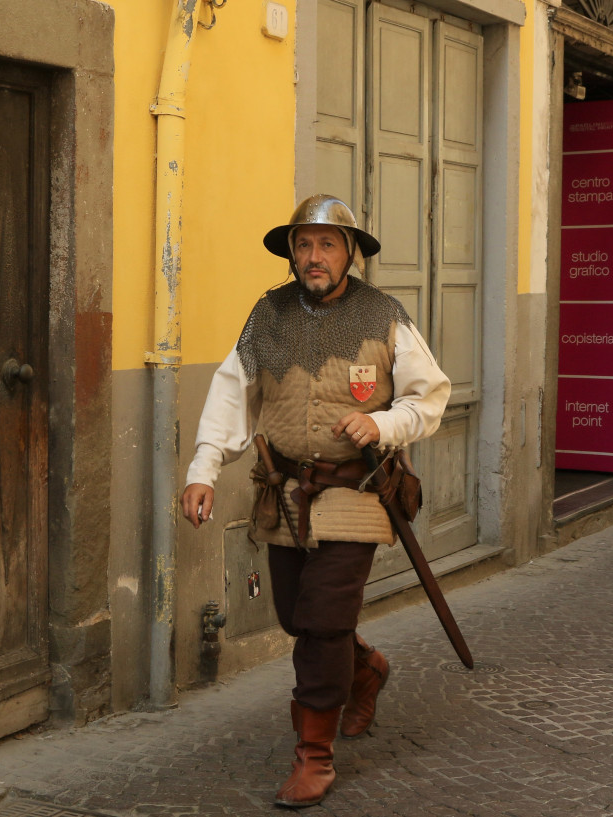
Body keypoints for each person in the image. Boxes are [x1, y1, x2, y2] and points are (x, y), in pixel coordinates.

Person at [180, 194, 450, 808]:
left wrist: (381, 425)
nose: (313, 255)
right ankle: (365, 669)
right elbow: (231, 396)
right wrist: (203, 468)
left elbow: (429, 397)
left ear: (350, 253)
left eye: (327, 243)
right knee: (297, 619)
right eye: (303, 244)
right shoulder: (269, 317)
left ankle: (314, 757)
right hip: (285, 495)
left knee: (323, 623)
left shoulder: (384, 316)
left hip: (354, 492)